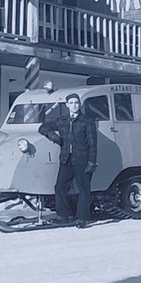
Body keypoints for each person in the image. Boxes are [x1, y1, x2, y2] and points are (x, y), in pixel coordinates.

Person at [39, 93, 97, 227]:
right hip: (66, 159)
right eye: (71, 103)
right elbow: (43, 128)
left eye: (76, 103)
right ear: (67, 105)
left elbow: (92, 143)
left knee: (83, 188)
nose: (74, 105)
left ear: (80, 104)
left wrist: (92, 162)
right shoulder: (62, 120)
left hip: (82, 159)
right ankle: (64, 215)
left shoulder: (87, 121)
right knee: (60, 186)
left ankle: (83, 217)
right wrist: (55, 138)